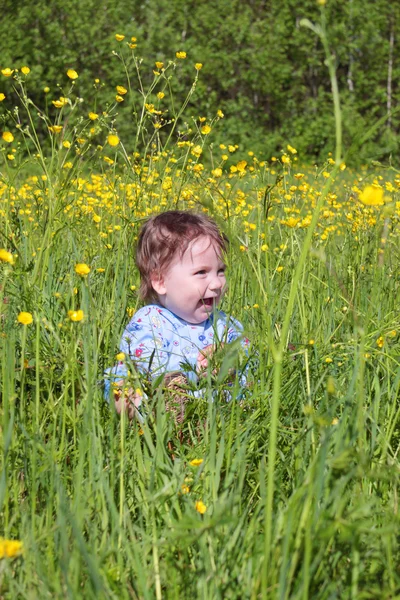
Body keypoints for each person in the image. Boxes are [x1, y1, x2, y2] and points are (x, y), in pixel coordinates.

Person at [104, 210, 249, 421]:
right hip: (155, 394)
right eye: (201, 272)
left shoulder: (223, 323)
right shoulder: (150, 319)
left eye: (220, 271)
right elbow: (146, 362)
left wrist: (228, 358)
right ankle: (159, 415)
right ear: (161, 281)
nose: (217, 283)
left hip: (208, 396)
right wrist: (193, 369)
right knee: (117, 382)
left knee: (239, 386)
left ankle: (204, 419)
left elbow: (248, 353)